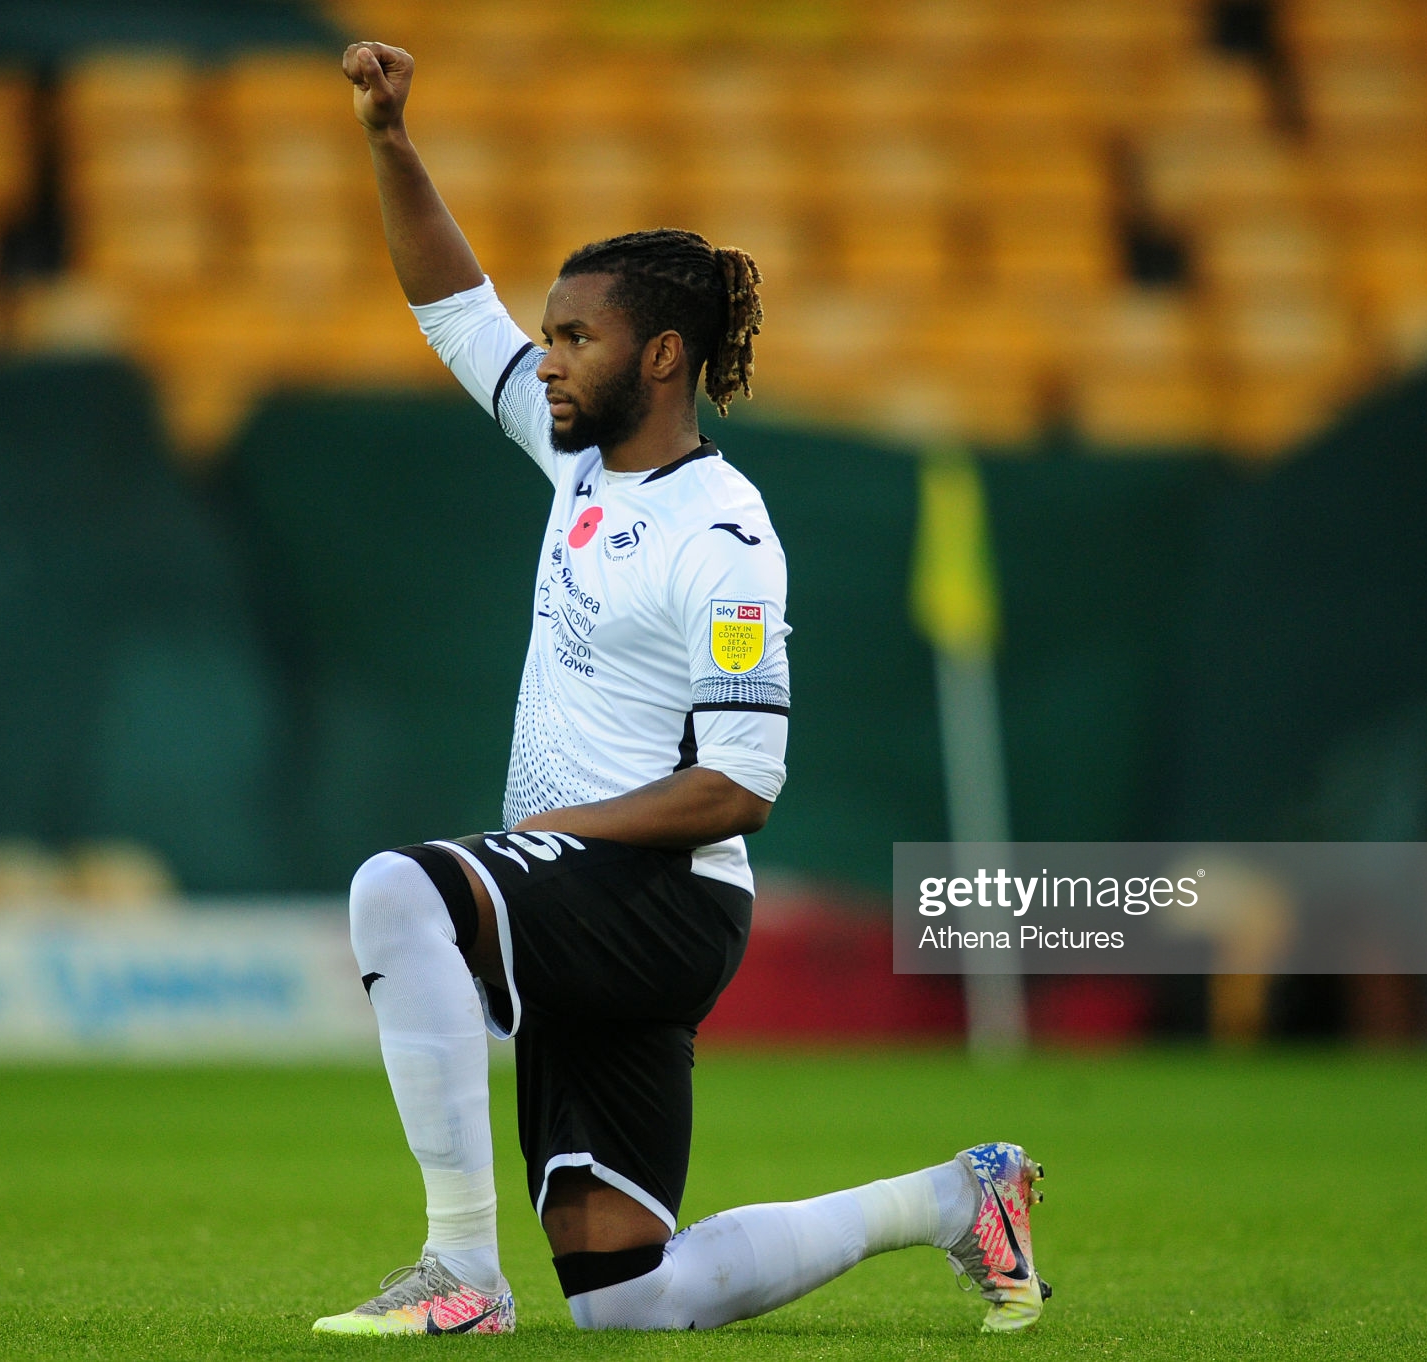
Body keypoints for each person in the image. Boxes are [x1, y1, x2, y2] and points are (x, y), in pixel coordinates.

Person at [312, 40, 1050, 1338]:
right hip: (588, 899)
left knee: (397, 889)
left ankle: (461, 1272)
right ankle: (956, 1197)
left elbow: (741, 786)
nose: (543, 360)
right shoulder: (577, 462)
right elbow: (449, 302)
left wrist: (541, 840)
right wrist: (386, 139)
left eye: (573, 337)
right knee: (629, 1300)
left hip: (662, 903)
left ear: (659, 356)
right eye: (545, 336)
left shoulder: (726, 539)